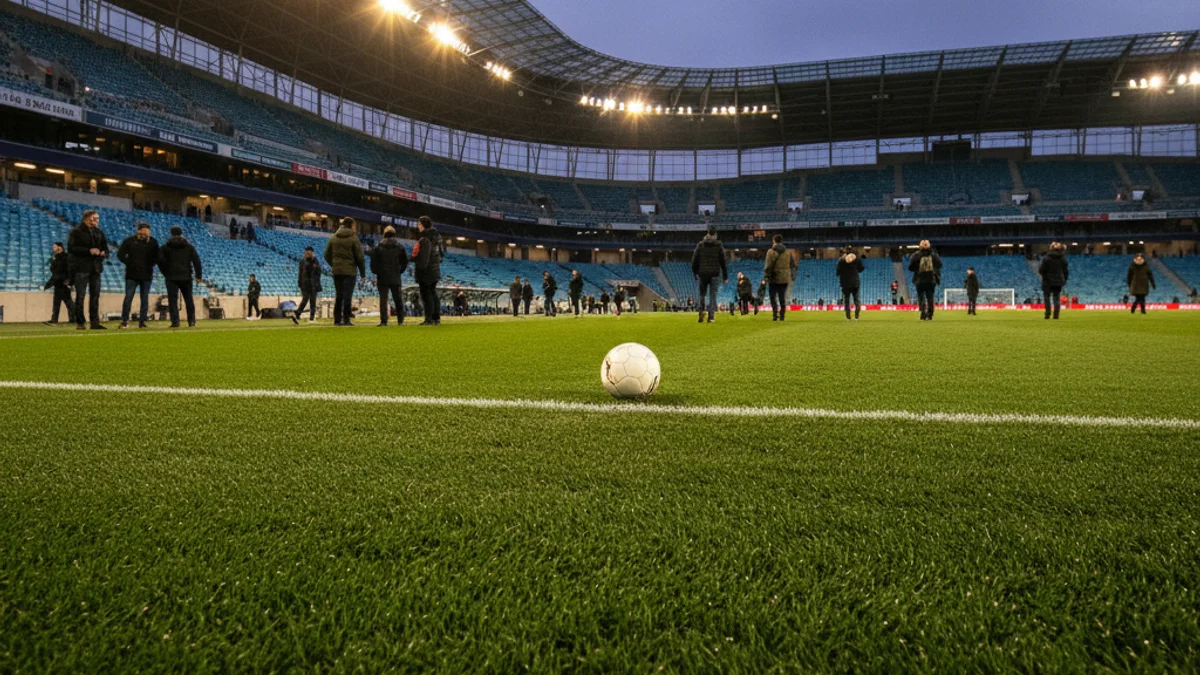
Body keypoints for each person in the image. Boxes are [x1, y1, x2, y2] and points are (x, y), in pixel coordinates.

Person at [67, 209, 109, 330]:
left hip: (96, 268)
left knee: (95, 296)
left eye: (97, 219)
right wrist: (88, 251)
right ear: (87, 218)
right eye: (94, 218)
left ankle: (94, 322)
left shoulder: (99, 232)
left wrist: (103, 252)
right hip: (81, 268)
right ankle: (80, 322)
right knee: (81, 296)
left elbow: (106, 248)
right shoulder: (76, 232)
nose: (97, 221)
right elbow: (71, 248)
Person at [157, 225, 202, 328]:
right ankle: (191, 321)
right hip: (186, 276)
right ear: (181, 234)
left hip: (171, 277)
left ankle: (175, 322)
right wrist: (198, 275)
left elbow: (160, 261)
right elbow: (196, 261)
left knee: (172, 300)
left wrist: (165, 272)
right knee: (188, 299)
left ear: (171, 234)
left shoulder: (165, 247)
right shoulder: (189, 246)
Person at [116, 222, 159, 329]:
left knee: (144, 299)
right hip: (131, 274)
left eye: (147, 230)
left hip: (146, 275)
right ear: (138, 231)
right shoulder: (129, 241)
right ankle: (125, 320)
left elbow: (157, 256)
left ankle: (142, 321)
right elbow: (120, 254)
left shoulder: (153, 242)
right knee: (128, 297)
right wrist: (129, 263)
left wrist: (151, 265)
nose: (145, 232)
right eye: (143, 230)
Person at [324, 217, 366, 327]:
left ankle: (337, 320)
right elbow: (360, 257)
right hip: (350, 271)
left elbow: (326, 255)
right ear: (351, 225)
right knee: (347, 295)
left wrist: (334, 264)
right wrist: (362, 272)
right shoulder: (353, 238)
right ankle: (346, 319)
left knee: (339, 295)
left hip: (337, 271)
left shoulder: (333, 237)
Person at [370, 226, 409, 326]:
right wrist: (400, 271)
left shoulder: (378, 247)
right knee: (398, 298)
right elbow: (405, 262)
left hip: (382, 277)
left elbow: (373, 263)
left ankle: (384, 321)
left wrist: (377, 272)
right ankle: (400, 320)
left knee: (383, 299)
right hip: (395, 276)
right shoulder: (399, 247)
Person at [691, 225, 729, 323]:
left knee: (702, 294)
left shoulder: (700, 244)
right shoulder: (718, 244)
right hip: (714, 273)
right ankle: (711, 317)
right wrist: (725, 276)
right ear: (715, 234)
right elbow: (723, 261)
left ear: (707, 233)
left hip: (703, 273)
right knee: (713, 295)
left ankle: (701, 313)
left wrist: (695, 272)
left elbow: (694, 259)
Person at [412, 216, 444, 326]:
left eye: (419, 224)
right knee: (433, 293)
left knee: (426, 294)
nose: (418, 226)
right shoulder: (437, 237)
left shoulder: (425, 238)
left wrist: (415, 261)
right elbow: (441, 254)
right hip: (435, 269)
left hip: (426, 269)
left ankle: (428, 318)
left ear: (423, 225)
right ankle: (436, 318)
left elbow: (424, 256)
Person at [763, 234, 795, 321]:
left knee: (772, 296)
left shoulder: (770, 252)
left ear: (774, 241)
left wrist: (766, 276)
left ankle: (774, 314)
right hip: (784, 277)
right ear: (781, 241)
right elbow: (792, 264)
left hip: (773, 277)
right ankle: (782, 315)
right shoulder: (788, 252)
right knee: (782, 297)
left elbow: (768, 265)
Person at [908, 240, 943, 321]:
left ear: (920, 246)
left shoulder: (916, 255)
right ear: (929, 246)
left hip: (919, 279)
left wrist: (917, 268)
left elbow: (910, 267)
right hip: (931, 279)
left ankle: (923, 313)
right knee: (930, 297)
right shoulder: (933, 255)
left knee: (921, 297)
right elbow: (940, 264)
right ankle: (930, 313)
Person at [43, 242, 75, 325]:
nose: (53, 248)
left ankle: (73, 318)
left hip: (64, 283)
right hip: (58, 284)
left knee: (68, 302)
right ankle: (54, 319)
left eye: (54, 247)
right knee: (57, 302)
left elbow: (71, 270)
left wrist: (70, 282)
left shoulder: (66, 257)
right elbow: (54, 272)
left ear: (60, 248)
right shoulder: (56, 259)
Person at [1037, 241, 1069, 320]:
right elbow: (1066, 271)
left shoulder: (1046, 258)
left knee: (1047, 298)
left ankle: (1047, 314)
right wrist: (1064, 280)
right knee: (1056, 298)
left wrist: (1045, 276)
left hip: (1047, 281)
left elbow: (1041, 270)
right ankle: (1056, 316)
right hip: (1058, 281)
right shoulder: (1062, 259)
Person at [293, 247, 323, 324]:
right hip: (305, 284)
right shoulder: (303, 261)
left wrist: (317, 284)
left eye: (309, 253)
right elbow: (301, 273)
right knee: (306, 299)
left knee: (312, 301)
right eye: (306, 253)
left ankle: (310, 317)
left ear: (312, 253)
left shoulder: (315, 261)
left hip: (313, 284)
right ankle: (299, 313)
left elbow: (318, 272)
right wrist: (300, 283)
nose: (307, 254)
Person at [836, 246, 864, 321]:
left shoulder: (841, 261)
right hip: (855, 282)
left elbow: (837, 273)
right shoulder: (857, 259)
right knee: (856, 300)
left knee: (846, 301)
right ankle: (856, 316)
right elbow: (861, 269)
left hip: (845, 283)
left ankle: (848, 317)